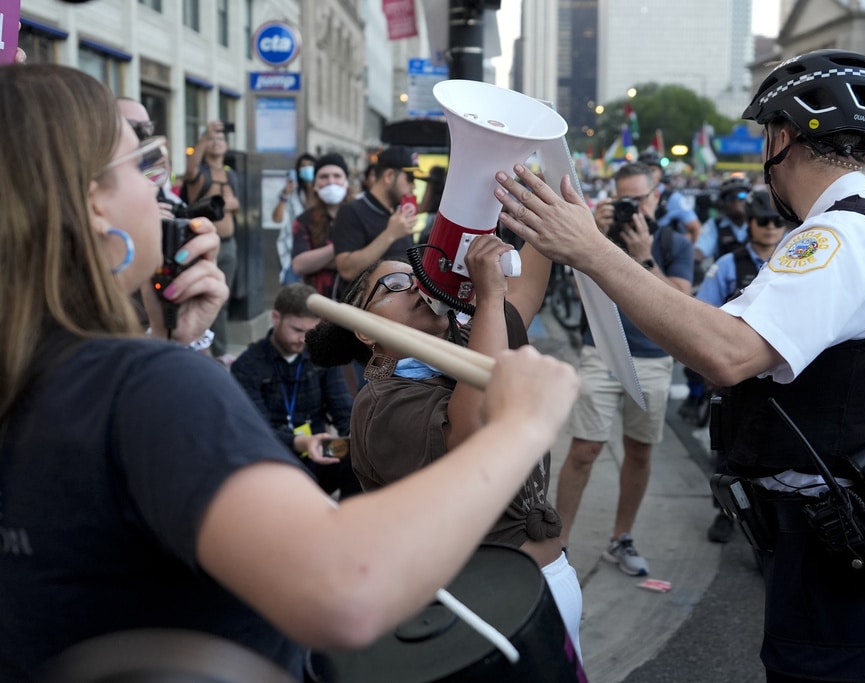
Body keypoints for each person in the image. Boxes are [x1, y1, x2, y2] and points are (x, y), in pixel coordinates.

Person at [0, 64, 581, 682]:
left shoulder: (47, 370)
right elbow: (342, 588)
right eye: (144, 162)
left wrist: (174, 339)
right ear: (94, 202)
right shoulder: (141, 386)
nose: (161, 190)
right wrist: (519, 425)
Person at [494, 49, 865, 682]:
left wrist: (592, 252)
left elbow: (729, 353)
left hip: (843, 541)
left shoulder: (842, 237)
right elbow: (717, 323)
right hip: (852, 531)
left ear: (782, 138)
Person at [314, 233, 584, 661]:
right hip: (484, 604)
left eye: (416, 278)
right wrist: (489, 298)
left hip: (549, 581)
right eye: (395, 286)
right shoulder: (379, 403)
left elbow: (528, 287)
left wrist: (550, 207)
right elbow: (479, 434)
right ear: (365, 332)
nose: (416, 288)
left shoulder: (472, 338)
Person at [558, 162, 694, 577]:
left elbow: (683, 307)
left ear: (657, 195)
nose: (630, 210)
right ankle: (558, 545)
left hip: (653, 357)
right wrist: (594, 234)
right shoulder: (599, 236)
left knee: (640, 448)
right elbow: (571, 280)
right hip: (600, 348)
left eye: (637, 200)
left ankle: (622, 537)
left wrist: (644, 257)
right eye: (622, 201)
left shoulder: (672, 242)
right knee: (584, 449)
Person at [696, 191, 788, 544]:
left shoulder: (796, 258)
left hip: (779, 375)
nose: (769, 228)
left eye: (776, 221)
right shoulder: (729, 264)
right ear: (749, 223)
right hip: (737, 376)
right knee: (729, 454)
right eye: (762, 221)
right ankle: (726, 514)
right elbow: (703, 314)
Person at [230, 282, 359, 498]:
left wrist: (353, 439)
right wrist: (299, 442)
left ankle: (347, 523)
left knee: (360, 458)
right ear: (276, 318)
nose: (303, 340)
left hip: (318, 452)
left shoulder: (321, 358)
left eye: (311, 332)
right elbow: (256, 432)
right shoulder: (247, 365)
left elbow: (343, 410)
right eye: (297, 330)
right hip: (274, 458)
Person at [183, 119, 242, 362]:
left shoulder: (231, 175)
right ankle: (206, 348)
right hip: (205, 243)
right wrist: (205, 134)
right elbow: (189, 171)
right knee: (203, 294)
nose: (217, 142)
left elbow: (237, 208)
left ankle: (218, 348)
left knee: (222, 297)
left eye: (220, 138)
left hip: (229, 244)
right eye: (212, 139)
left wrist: (234, 205)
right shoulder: (200, 173)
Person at [331, 145, 420, 286]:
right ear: (389, 176)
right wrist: (390, 235)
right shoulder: (352, 211)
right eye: (410, 178)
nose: (413, 185)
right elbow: (347, 270)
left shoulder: (398, 212)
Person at [291, 152, 350, 299]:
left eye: (337, 176)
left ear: (346, 181)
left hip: (357, 302)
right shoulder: (304, 220)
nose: (331, 182)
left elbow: (370, 259)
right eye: (324, 176)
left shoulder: (361, 215)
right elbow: (299, 265)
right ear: (315, 183)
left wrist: (318, 261)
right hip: (318, 304)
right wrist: (340, 247)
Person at [639, 150, 701, 243]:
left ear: (661, 173)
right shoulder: (630, 196)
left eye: (652, 170)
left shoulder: (674, 198)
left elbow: (696, 229)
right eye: (643, 170)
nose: (648, 174)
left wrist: (683, 253)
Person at [273, 153, 316, 284]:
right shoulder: (292, 193)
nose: (307, 168)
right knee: (292, 294)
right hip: (293, 252)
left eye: (310, 166)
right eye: (303, 166)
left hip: (316, 252)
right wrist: (285, 194)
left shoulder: (322, 193)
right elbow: (277, 219)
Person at [692, 175, 752, 265]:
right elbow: (700, 250)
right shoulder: (714, 225)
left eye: (742, 196)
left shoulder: (761, 222)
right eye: (730, 198)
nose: (736, 202)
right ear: (722, 202)